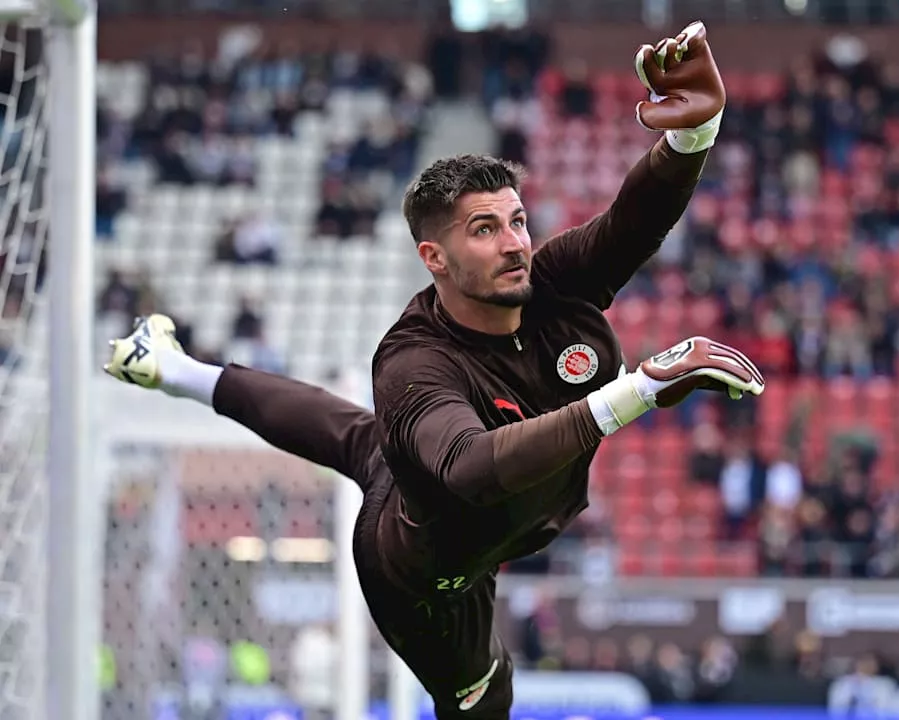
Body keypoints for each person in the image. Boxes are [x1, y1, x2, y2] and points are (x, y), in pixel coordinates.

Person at [105, 22, 764, 720]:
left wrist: (691, 139)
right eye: (484, 230)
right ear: (434, 258)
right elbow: (473, 469)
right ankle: (173, 369)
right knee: (486, 698)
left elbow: (631, 224)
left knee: (360, 441)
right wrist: (637, 393)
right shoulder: (413, 363)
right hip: (428, 567)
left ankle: (169, 366)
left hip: (482, 506)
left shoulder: (547, 283)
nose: (514, 245)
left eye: (517, 221)